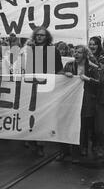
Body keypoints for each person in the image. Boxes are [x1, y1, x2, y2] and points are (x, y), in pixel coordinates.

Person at [23, 27, 63, 157]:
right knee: (31, 114)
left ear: (47, 37)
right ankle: (32, 139)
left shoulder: (53, 51)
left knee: (43, 116)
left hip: (47, 88)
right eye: (38, 35)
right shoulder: (30, 50)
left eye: (42, 35)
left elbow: (59, 69)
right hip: (32, 86)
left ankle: (40, 144)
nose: (40, 37)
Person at [61, 45, 99, 161]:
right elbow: (60, 80)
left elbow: (99, 83)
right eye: (75, 52)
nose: (76, 54)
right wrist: (64, 75)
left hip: (86, 101)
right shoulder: (69, 65)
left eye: (79, 52)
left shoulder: (93, 68)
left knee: (83, 126)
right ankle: (65, 151)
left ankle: (82, 148)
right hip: (71, 101)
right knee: (68, 124)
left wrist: (87, 79)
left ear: (85, 54)